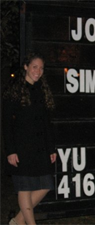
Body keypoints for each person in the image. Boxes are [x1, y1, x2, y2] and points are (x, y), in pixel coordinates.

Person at [2, 52, 57, 225]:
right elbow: (6, 123)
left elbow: (46, 124)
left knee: (46, 185)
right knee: (24, 188)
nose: (38, 71)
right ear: (26, 67)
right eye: (34, 67)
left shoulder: (42, 91)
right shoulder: (14, 90)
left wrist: (51, 148)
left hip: (39, 148)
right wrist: (10, 150)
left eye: (41, 68)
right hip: (21, 148)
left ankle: (17, 221)